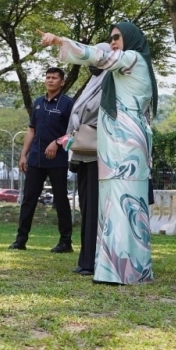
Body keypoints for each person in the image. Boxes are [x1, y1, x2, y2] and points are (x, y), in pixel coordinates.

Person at [38, 22, 157, 285]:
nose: (113, 42)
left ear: (132, 39)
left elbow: (99, 56)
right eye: (111, 38)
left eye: (117, 38)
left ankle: (125, 271)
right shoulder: (123, 69)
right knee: (116, 207)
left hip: (126, 147)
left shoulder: (133, 59)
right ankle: (121, 269)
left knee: (125, 206)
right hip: (115, 146)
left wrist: (60, 41)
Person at [10, 67, 75, 253]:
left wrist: (57, 142)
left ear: (62, 82)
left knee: (61, 200)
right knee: (28, 199)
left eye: (54, 78)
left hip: (58, 160)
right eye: (48, 77)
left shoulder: (68, 104)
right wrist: (24, 155)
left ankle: (65, 242)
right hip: (36, 159)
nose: (50, 80)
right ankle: (20, 240)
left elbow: (73, 132)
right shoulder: (38, 103)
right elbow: (31, 129)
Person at [65, 57, 108, 276]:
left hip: (98, 155)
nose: (92, 64)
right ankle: (85, 259)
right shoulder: (91, 84)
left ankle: (93, 261)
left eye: (96, 59)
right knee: (86, 208)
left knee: (94, 208)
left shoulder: (110, 82)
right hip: (83, 153)